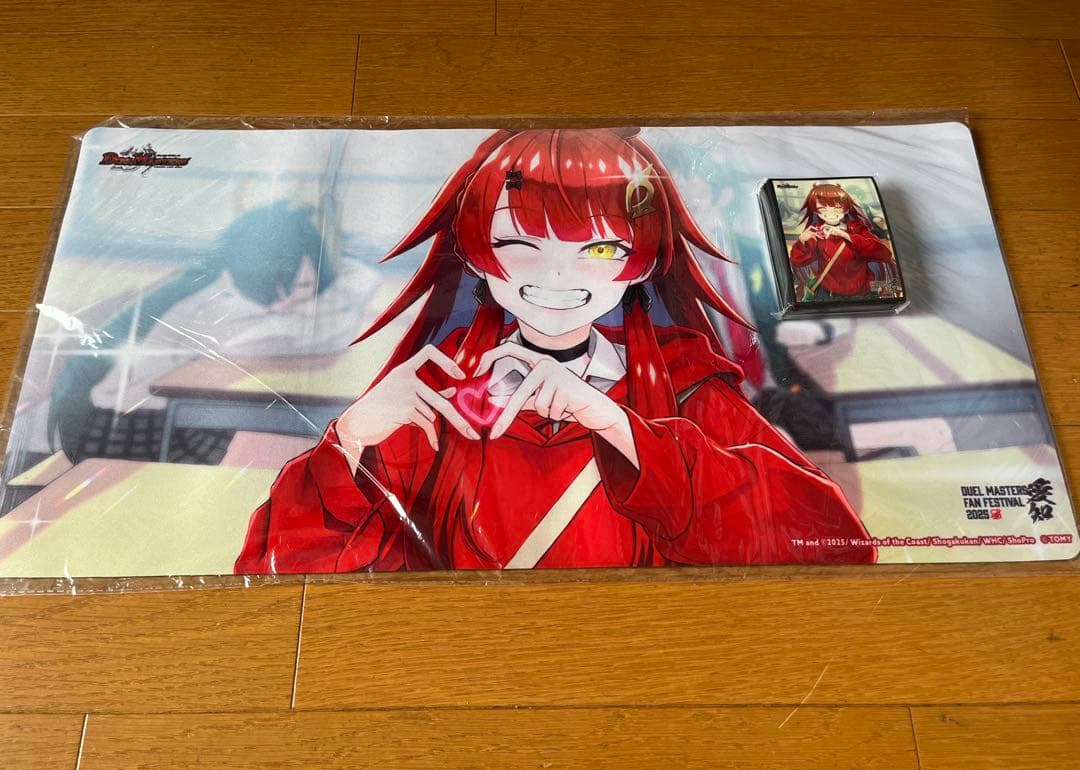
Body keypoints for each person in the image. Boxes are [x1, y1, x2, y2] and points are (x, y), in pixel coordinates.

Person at [236, 128, 874, 573]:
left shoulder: (682, 380)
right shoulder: (439, 390)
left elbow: (835, 543)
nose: (558, 277)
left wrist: (618, 425)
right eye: (519, 244)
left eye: (600, 249)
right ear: (477, 254)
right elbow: (278, 569)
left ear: (637, 262)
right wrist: (348, 439)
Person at [47, 201, 343, 465]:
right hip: (112, 426)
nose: (303, 300)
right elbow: (268, 350)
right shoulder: (212, 303)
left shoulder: (209, 283)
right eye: (299, 287)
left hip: (114, 415)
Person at [788, 183, 895, 300]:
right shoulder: (816, 233)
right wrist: (802, 242)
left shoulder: (857, 229)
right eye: (823, 208)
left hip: (861, 294)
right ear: (816, 211)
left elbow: (885, 254)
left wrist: (845, 235)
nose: (830, 214)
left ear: (845, 208)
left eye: (837, 208)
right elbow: (797, 262)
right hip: (829, 294)